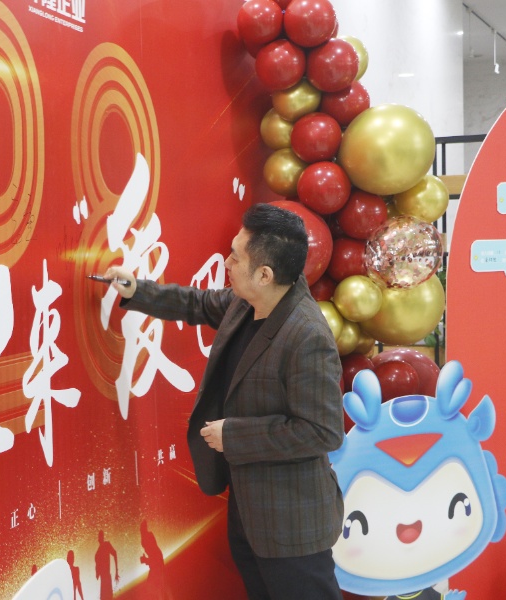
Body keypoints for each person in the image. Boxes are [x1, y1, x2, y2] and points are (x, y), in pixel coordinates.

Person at [104, 203, 345, 600]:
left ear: (265, 274)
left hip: (292, 523)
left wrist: (234, 436)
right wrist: (137, 291)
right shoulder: (250, 302)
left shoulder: (306, 335)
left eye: (236, 257)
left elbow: (322, 432)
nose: (227, 263)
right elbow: (198, 304)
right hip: (250, 510)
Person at [94, 530, 120, 600]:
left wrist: (116, 571)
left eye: (100, 536)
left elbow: (114, 553)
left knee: (107, 597)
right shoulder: (98, 553)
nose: (100, 538)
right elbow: (97, 571)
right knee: (107, 597)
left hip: (106, 578)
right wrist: (97, 571)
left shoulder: (105, 546)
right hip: (105, 579)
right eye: (100, 536)